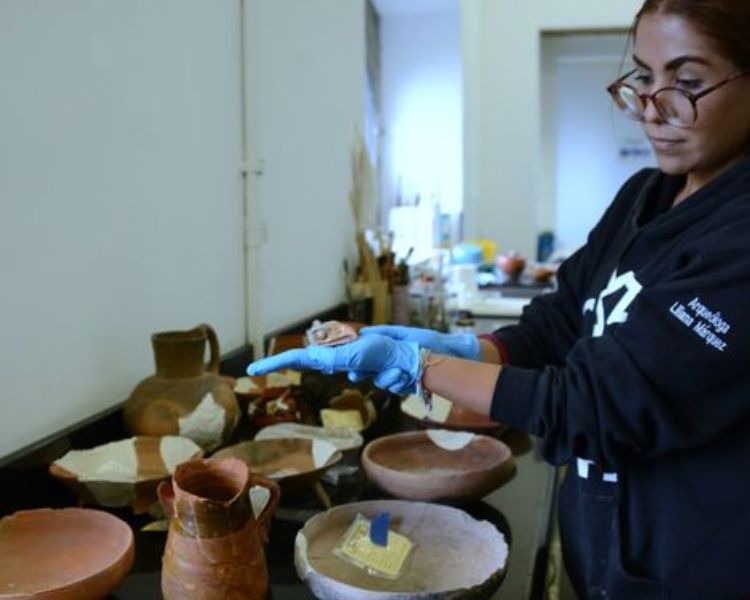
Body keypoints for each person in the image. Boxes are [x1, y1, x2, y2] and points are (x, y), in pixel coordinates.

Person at [248, 0, 750, 597]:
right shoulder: (646, 193)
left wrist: (423, 367)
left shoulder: (738, 235)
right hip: (606, 546)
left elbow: (594, 404)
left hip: (688, 565)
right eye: (643, 76)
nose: (652, 106)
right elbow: (556, 327)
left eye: (688, 82)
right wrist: (460, 346)